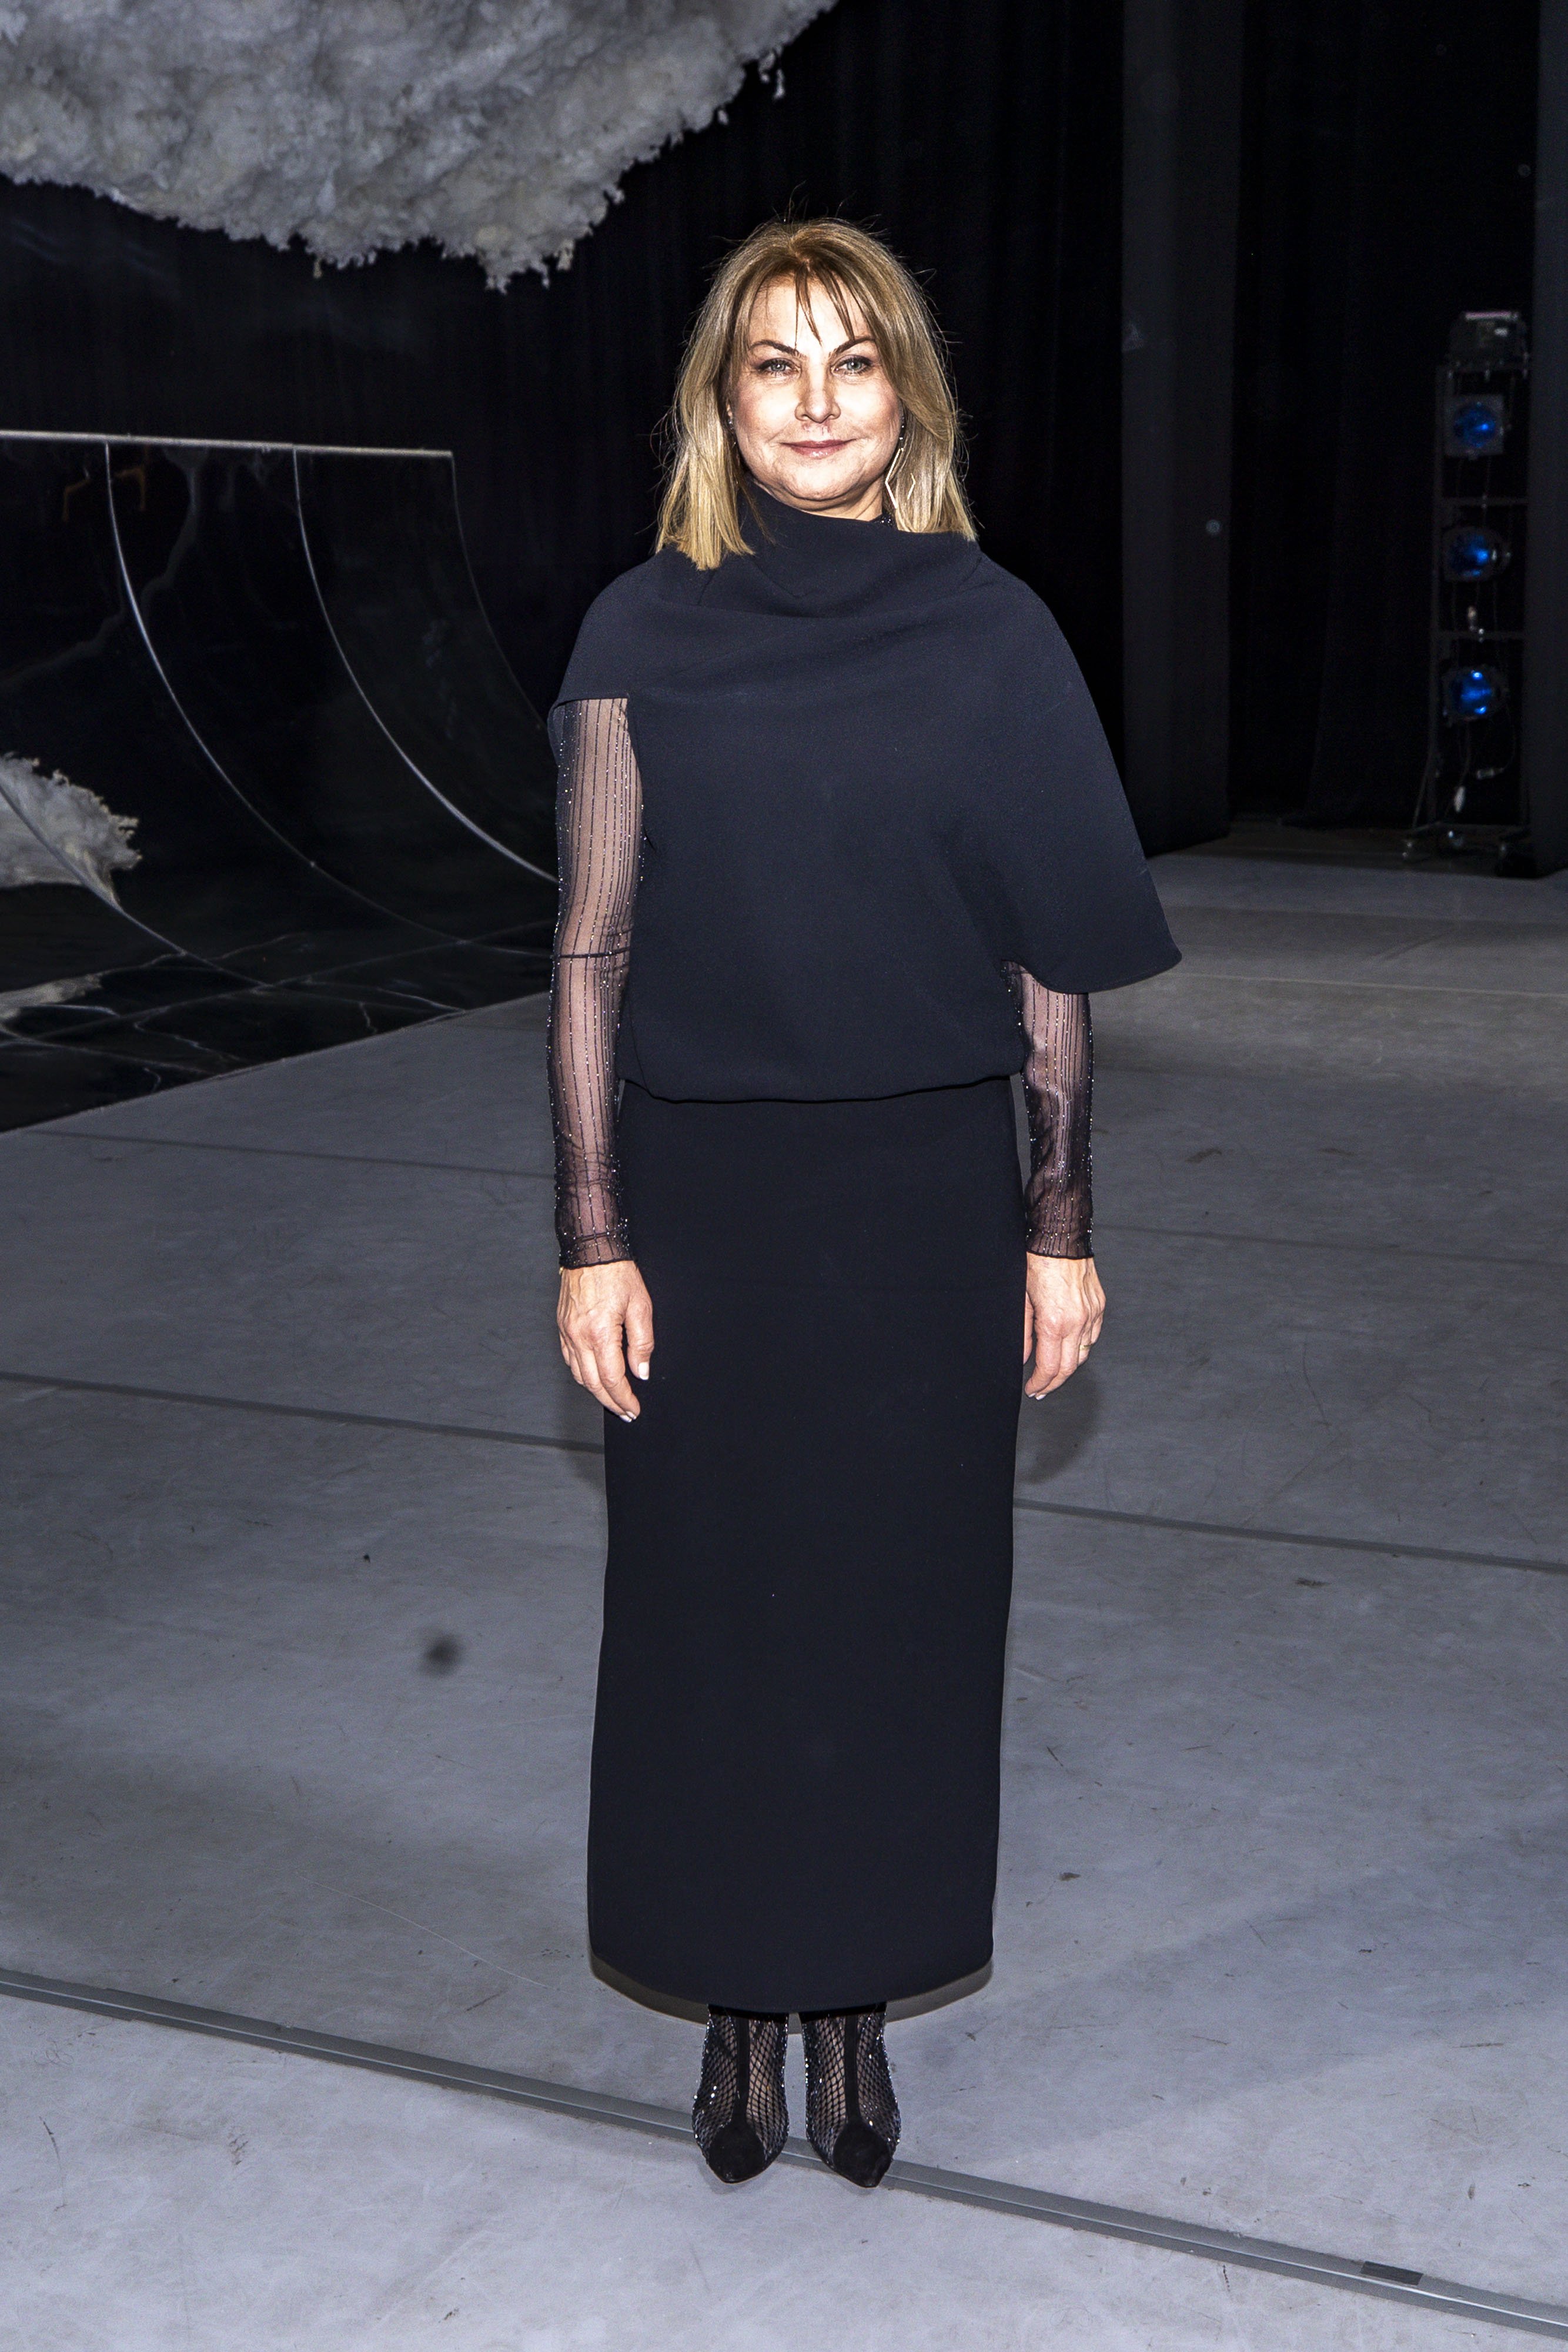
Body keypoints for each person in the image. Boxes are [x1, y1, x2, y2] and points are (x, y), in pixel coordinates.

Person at [547, 218, 1178, 2190]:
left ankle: (856, 2010)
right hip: (706, 1208)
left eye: (851, 359)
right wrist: (591, 1238)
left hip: (918, 1206)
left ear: (904, 393)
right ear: (720, 400)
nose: (814, 401)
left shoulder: (988, 631)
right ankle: (739, 2009)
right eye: (773, 362)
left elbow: (1047, 960)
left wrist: (1057, 1227)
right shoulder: (636, 630)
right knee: (713, 1616)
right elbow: (589, 953)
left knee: (900, 1617)